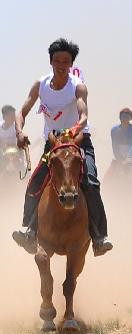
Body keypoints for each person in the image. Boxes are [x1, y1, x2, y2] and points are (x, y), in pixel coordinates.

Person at [12, 38, 112, 256]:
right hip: (54, 144)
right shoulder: (40, 85)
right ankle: (28, 230)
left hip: (78, 141)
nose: (60, 64)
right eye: (57, 60)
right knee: (35, 182)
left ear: (71, 64)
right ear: (51, 62)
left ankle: (99, 236)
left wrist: (78, 125)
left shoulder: (78, 86)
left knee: (91, 183)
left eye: (65, 61)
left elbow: (83, 113)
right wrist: (19, 132)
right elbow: (22, 112)